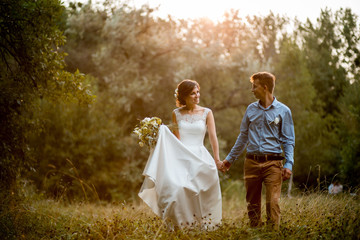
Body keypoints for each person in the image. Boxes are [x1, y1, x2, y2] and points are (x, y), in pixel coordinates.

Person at [139, 79, 223, 230]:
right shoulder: (176, 113)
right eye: (193, 93)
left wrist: (217, 159)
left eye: (198, 92)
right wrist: (157, 135)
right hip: (181, 156)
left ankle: (204, 225)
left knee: (200, 190)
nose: (197, 95)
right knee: (176, 189)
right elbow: (175, 139)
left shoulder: (207, 113)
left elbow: (213, 137)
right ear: (184, 96)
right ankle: (180, 226)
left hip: (200, 156)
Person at [221, 72, 295, 230]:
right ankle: (256, 234)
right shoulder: (250, 109)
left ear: (265, 87)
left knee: (272, 203)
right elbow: (243, 137)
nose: (252, 90)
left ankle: (272, 235)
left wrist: (288, 163)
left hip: (273, 164)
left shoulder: (284, 111)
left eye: (254, 86)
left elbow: (288, 140)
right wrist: (229, 159)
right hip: (251, 162)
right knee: (252, 205)